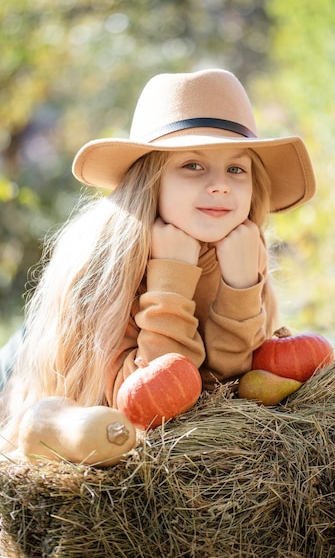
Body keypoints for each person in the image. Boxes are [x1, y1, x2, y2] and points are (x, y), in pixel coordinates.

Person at [0, 68, 315, 452]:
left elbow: (227, 387)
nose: (220, 185)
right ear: (150, 180)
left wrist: (241, 286)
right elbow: (146, 403)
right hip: (22, 370)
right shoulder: (106, 263)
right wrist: (170, 281)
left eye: (236, 168)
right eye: (192, 165)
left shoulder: (243, 250)